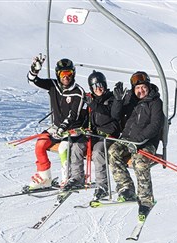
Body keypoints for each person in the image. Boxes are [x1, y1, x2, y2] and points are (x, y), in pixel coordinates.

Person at [26, 54, 87, 191]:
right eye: (63, 73)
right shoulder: (53, 85)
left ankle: (68, 178)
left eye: (69, 73)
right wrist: (34, 70)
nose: (66, 76)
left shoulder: (78, 92)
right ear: (58, 74)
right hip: (57, 127)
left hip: (73, 129)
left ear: (73, 74)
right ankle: (44, 177)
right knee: (40, 144)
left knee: (63, 148)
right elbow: (32, 81)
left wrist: (63, 128)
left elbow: (74, 115)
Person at [108, 71, 164, 218]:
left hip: (147, 142)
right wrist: (118, 100)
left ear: (148, 86)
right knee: (113, 151)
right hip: (128, 139)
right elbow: (115, 115)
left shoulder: (155, 102)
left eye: (143, 87)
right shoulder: (131, 100)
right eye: (137, 88)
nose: (140, 91)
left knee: (139, 162)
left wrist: (138, 141)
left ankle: (146, 199)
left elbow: (155, 125)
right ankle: (126, 187)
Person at [85, 70, 120, 200]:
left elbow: (110, 113)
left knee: (97, 152)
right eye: (95, 86)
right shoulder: (92, 101)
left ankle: (102, 186)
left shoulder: (111, 98)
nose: (98, 88)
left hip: (109, 136)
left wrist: (92, 104)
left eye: (100, 85)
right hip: (96, 136)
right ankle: (75, 178)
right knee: (74, 146)